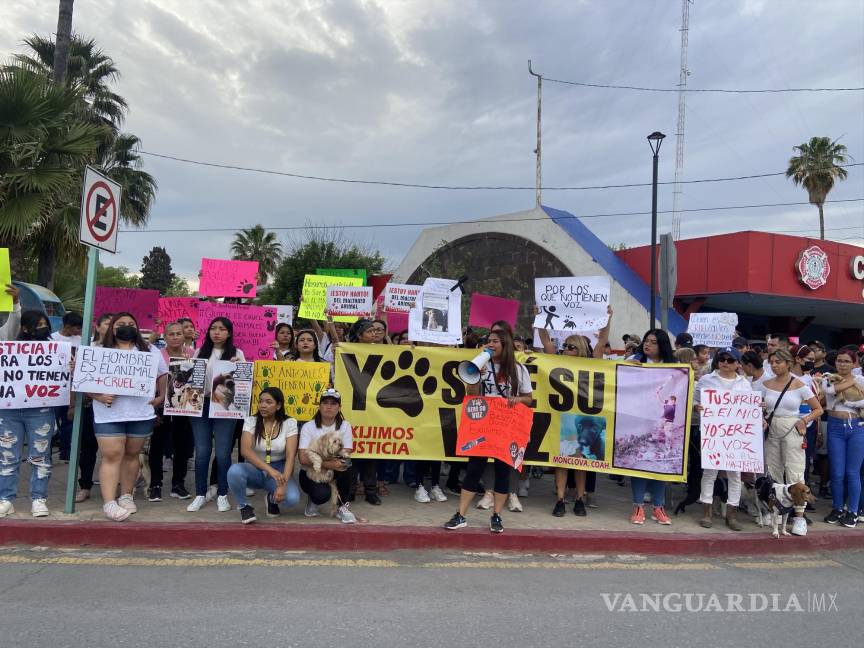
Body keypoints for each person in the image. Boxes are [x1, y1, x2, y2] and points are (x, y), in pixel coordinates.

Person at [444, 328, 532, 534]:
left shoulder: (518, 370)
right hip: (483, 422)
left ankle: (497, 515)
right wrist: (476, 376)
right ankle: (461, 515)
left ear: (505, 344)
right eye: (488, 341)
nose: (490, 344)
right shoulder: (481, 364)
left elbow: (529, 398)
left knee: (503, 470)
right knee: (474, 468)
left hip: (505, 423)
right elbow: (471, 395)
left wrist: (517, 399)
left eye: (495, 341)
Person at [88, 313, 168, 521]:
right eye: (121, 324)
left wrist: (161, 397)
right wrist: (98, 395)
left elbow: (162, 375)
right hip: (108, 413)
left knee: (133, 454)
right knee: (112, 455)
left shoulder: (150, 350)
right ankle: (109, 503)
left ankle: (126, 495)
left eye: (131, 324)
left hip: (140, 412)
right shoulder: (98, 350)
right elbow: (83, 380)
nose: (126, 327)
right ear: (112, 327)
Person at [537, 307, 612, 517]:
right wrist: (540, 317)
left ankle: (580, 498)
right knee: (561, 462)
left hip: (585, 417)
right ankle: (560, 499)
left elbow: (602, 339)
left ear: (579, 348)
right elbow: (545, 341)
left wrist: (607, 317)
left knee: (581, 462)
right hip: (563, 418)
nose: (565, 349)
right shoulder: (557, 361)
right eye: (565, 346)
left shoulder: (591, 361)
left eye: (570, 346)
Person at [0, 310, 59, 518]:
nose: (42, 327)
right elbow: (10, 324)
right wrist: (16, 304)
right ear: (25, 328)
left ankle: (39, 498)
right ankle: (6, 499)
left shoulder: (56, 350)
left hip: (41, 410)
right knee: (7, 456)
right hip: (9, 410)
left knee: (40, 456)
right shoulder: (8, 347)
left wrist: (68, 367)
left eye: (45, 324)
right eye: (38, 324)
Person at [186, 317, 245, 513]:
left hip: (224, 408)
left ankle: (222, 494)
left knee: (222, 452)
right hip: (201, 406)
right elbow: (191, 382)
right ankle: (200, 494)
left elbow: (243, 384)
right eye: (213, 328)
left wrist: (237, 367)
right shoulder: (199, 352)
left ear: (229, 333)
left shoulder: (237, 353)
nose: (216, 332)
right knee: (202, 452)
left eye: (221, 329)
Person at [693, 346, 752, 531]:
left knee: (735, 475)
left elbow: (748, 408)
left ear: (737, 363)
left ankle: (731, 515)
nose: (725, 362)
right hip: (713, 433)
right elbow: (694, 400)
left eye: (730, 359)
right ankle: (706, 512)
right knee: (710, 472)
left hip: (736, 435)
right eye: (722, 359)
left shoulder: (744, 384)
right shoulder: (706, 380)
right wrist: (697, 407)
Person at [625, 329, 676, 526]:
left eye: (653, 342)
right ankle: (638, 505)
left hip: (664, 422)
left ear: (662, 345)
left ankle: (658, 506)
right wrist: (627, 367)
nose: (648, 345)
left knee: (660, 462)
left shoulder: (673, 367)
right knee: (639, 463)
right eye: (646, 341)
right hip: (638, 420)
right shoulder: (634, 360)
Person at [227, 387, 300, 523]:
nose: (263, 405)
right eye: (260, 401)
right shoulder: (251, 421)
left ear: (278, 405)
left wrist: (283, 484)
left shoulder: (289, 423)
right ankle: (244, 506)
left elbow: (291, 455)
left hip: (279, 469)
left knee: (292, 499)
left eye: (268, 402)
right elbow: (245, 451)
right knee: (234, 471)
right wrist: (269, 470)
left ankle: (272, 499)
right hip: (256, 468)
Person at [757, 349, 822, 492]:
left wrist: (804, 420)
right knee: (773, 467)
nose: (774, 365)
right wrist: (762, 416)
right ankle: (776, 505)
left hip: (792, 426)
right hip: (771, 426)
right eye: (772, 362)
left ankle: (798, 510)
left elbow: (818, 409)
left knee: (795, 467)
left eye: (778, 362)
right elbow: (757, 407)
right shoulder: (765, 384)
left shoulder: (800, 385)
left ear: (788, 364)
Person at [147, 322, 194, 502]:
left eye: (178, 333)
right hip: (161, 407)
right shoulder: (157, 356)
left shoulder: (192, 354)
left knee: (182, 447)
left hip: (185, 408)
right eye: (171, 334)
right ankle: (155, 484)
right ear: (164, 337)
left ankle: (178, 484)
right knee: (158, 446)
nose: (175, 337)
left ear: (185, 336)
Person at [297, 389, 360, 523]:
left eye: (333, 403)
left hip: (333, 467)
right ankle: (313, 501)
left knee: (349, 466)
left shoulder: (345, 425)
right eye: (325, 403)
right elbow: (302, 458)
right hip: (311, 471)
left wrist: (330, 461)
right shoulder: (308, 427)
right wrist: (329, 463)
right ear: (319, 407)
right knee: (321, 494)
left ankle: (343, 506)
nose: (329, 407)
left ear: (339, 408)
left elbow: (347, 451)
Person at [820, 348, 864, 528]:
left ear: (854, 363)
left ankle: (853, 511)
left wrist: (851, 400)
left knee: (852, 472)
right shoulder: (827, 378)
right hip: (835, 426)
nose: (842, 364)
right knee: (836, 473)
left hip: (857, 427)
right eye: (839, 360)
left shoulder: (861, 379)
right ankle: (838, 508)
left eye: (847, 361)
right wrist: (850, 382)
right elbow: (830, 392)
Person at [74, 313, 114, 503]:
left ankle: (115, 486)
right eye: (107, 323)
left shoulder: (124, 348)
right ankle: (85, 486)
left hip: (115, 407)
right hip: (91, 405)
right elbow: (79, 381)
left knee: (116, 451)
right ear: (97, 327)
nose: (111, 327)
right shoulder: (87, 348)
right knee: (88, 449)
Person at [52, 312, 84, 461]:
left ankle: (66, 451)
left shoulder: (81, 340)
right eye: (77, 328)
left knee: (69, 419)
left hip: (73, 385)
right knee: (53, 418)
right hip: (56, 385)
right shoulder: (52, 338)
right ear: (67, 326)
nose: (78, 331)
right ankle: (48, 451)